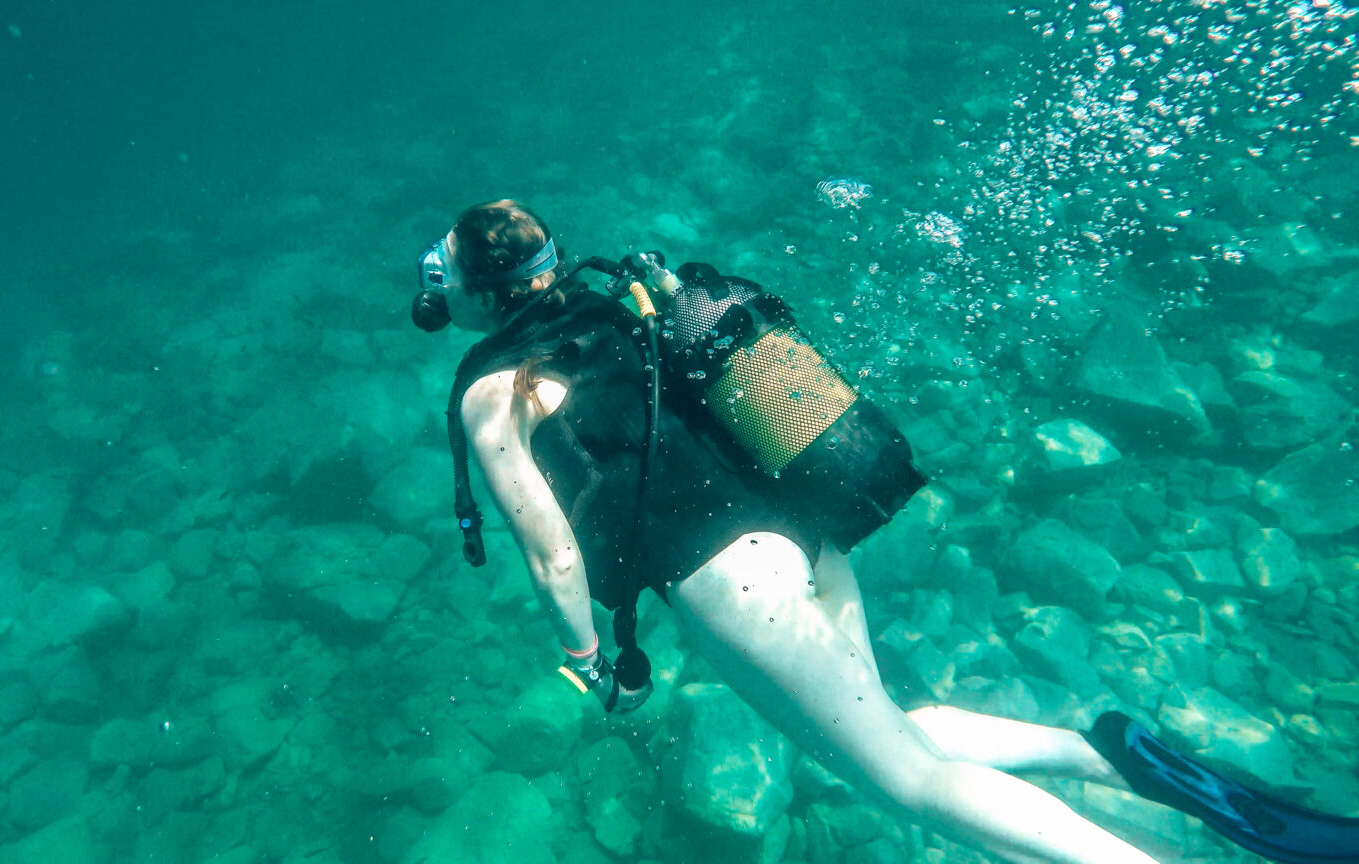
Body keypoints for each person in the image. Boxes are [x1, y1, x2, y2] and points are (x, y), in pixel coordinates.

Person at [409, 199, 1359, 864]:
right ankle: (1099, 751)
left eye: (447, 270)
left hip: (731, 588)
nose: (439, 282)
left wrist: (585, 658)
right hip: (803, 532)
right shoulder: (625, 298)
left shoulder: (497, 391)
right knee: (892, 726)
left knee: (904, 781)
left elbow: (554, 550)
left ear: (482, 295)